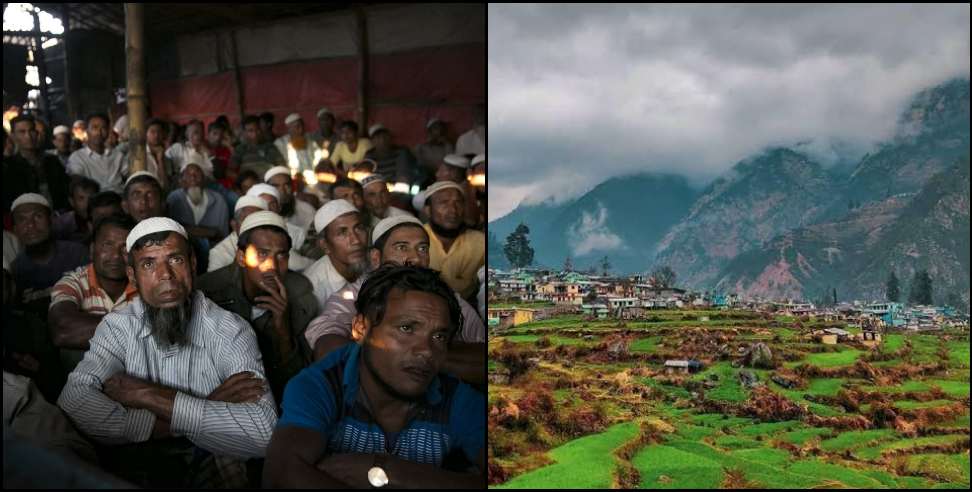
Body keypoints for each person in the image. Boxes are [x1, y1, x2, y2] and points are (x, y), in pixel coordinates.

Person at [56, 218, 277, 488]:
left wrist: (145, 395)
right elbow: (74, 401)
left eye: (175, 260)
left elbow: (263, 433)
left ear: (193, 264)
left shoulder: (230, 329)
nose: (165, 275)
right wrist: (206, 405)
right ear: (132, 276)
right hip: (137, 463)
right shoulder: (118, 326)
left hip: (211, 458)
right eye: (149, 264)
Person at [262, 265, 485, 488]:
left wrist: (393, 471)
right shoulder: (323, 384)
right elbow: (281, 475)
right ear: (360, 328)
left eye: (438, 336)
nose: (426, 350)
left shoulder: (456, 397)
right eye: (406, 328)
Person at [304, 215, 486, 385]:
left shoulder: (446, 297)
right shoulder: (355, 294)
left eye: (422, 248)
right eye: (401, 247)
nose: (415, 258)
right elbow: (327, 344)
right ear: (376, 258)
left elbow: (484, 357)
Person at [197, 211, 318, 403]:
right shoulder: (208, 291)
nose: (272, 266)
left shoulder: (301, 295)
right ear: (241, 258)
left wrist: (283, 330)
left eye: (281, 256)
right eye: (262, 254)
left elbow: (300, 381)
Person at [48, 214, 138, 373]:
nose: (116, 255)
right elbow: (63, 329)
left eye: (125, 248)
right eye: (107, 245)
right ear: (92, 249)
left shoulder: (146, 283)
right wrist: (139, 330)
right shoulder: (73, 282)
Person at [9, 194, 88, 316]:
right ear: (15, 229)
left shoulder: (77, 254)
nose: (30, 225)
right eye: (22, 219)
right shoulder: (15, 271)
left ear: (51, 221)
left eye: (38, 216)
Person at [207, 196, 312, 272]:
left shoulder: (274, 245)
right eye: (247, 220)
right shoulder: (218, 253)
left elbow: (303, 265)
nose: (253, 227)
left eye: (259, 222)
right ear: (234, 225)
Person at [421, 182, 484, 300]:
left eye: (458, 202)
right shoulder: (414, 239)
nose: (453, 210)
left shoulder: (481, 243)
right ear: (428, 210)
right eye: (444, 203)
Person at [302, 199, 369, 311]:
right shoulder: (313, 289)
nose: (356, 240)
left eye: (359, 228)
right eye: (342, 233)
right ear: (325, 245)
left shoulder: (375, 265)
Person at [4, 114, 72, 213]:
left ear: (36, 133)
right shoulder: (9, 167)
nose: (28, 136)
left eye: (31, 130)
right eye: (22, 132)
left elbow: (65, 190)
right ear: (13, 136)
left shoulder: (52, 161)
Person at [166, 157, 230, 244]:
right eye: (188, 174)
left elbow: (223, 235)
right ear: (182, 180)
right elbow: (171, 231)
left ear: (204, 178)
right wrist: (209, 232)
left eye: (197, 173)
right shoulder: (174, 198)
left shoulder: (219, 201)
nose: (193, 177)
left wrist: (189, 230)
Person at [66, 113, 128, 194]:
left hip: (119, 199)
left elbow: (129, 174)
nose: (99, 132)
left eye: (103, 128)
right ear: (87, 131)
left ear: (108, 131)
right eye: (94, 128)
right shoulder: (77, 157)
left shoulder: (117, 155)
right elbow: (77, 182)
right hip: (94, 202)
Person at [264, 166, 316, 231]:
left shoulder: (307, 210)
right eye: (276, 186)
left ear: (292, 186)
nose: (282, 191)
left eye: (286, 185)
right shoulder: (262, 212)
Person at [52, 177, 100, 242]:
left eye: (91, 198)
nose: (87, 203)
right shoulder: (62, 224)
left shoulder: (104, 218)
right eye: (81, 199)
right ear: (72, 201)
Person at [413, 118, 454, 187]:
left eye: (441, 128)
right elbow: (418, 163)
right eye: (436, 128)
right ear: (430, 131)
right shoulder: (421, 147)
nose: (439, 131)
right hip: (426, 178)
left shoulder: (447, 146)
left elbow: (450, 161)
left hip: (443, 177)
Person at [144, 118, 177, 193]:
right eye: (152, 132)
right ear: (146, 134)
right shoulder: (141, 156)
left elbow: (166, 185)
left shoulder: (167, 158)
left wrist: (160, 160)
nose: (156, 135)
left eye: (159, 132)